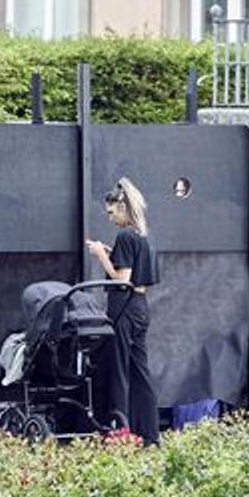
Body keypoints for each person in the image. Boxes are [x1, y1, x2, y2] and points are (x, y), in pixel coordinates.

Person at [86, 175, 160, 444]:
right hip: (140, 308)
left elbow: (122, 279)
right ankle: (149, 435)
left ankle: (121, 432)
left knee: (119, 372)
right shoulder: (143, 236)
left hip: (125, 310)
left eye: (110, 213)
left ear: (121, 207)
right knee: (140, 372)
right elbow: (134, 272)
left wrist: (100, 254)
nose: (110, 219)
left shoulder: (126, 235)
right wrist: (111, 253)